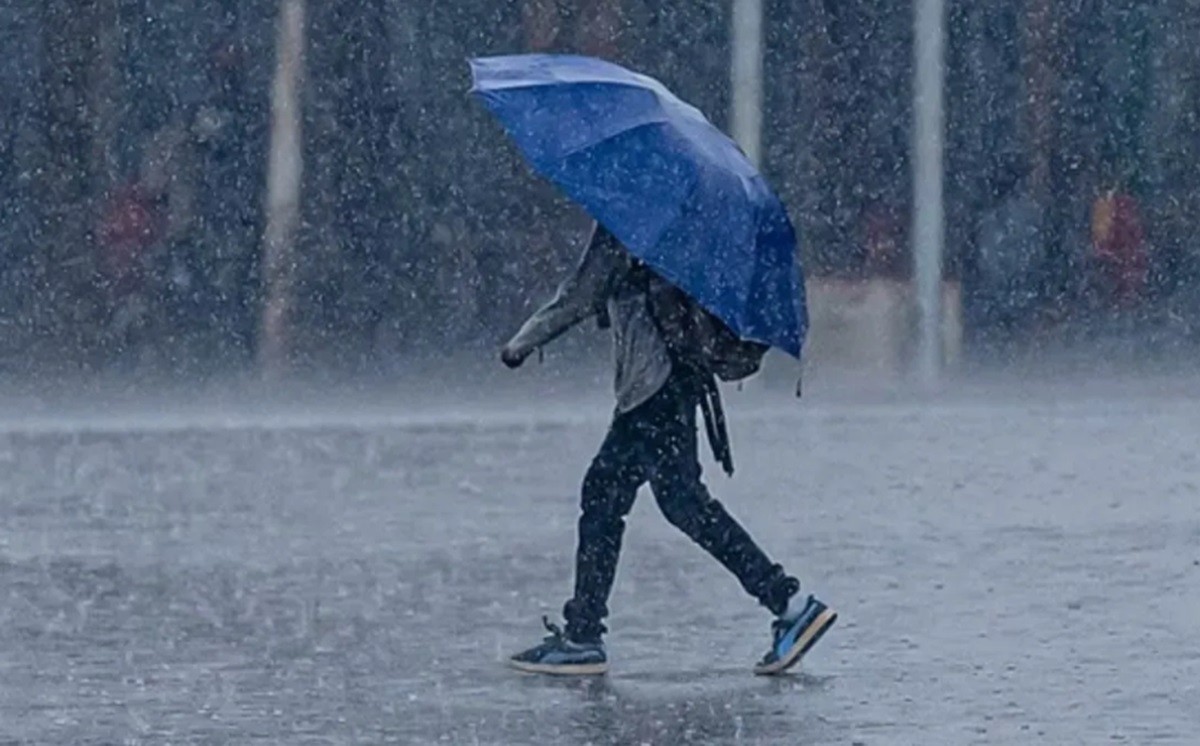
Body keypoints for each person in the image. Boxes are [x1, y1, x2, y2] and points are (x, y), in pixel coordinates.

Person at [500, 221, 836, 676]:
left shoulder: (628, 220)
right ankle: (788, 603)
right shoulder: (681, 225)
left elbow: (581, 295)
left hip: (651, 387)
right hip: (676, 380)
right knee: (667, 502)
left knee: (619, 497)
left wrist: (521, 343)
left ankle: (585, 636)